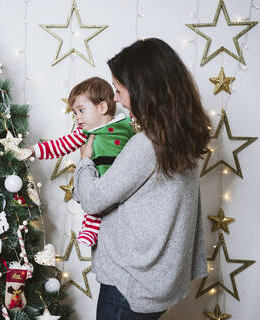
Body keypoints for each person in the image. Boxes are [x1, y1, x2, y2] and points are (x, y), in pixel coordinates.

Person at [72, 38, 211, 319]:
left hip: (130, 284)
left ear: (144, 91)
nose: (116, 99)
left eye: (119, 90)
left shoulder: (146, 145)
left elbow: (92, 199)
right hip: (160, 280)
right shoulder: (185, 136)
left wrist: (85, 161)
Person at [30, 76, 137, 246]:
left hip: (122, 185)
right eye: (74, 113)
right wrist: (33, 151)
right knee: (92, 200)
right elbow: (60, 145)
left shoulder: (126, 125)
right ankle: (90, 228)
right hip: (98, 183)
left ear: (102, 107)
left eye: (81, 110)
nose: (77, 118)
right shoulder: (85, 133)